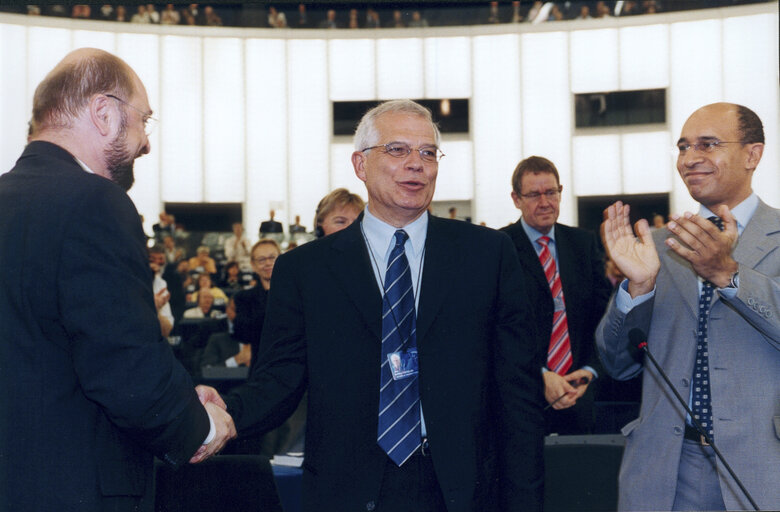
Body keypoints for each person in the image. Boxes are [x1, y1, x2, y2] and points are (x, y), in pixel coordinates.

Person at [223, 100, 544, 511]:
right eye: (397, 150)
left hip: (459, 489)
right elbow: (279, 379)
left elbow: (518, 396)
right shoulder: (306, 270)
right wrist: (225, 415)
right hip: (347, 489)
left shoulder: (487, 254)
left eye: (428, 152)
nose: (416, 164)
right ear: (360, 164)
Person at [0, 48, 234, 512]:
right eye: (144, 120)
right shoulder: (96, 202)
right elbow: (124, 368)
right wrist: (202, 425)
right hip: (77, 490)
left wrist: (179, 396)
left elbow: (48, 353)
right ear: (105, 114)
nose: (146, 142)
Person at [596, 102, 779, 511]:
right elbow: (617, 362)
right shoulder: (657, 246)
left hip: (763, 469)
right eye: (683, 147)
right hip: (665, 471)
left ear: (753, 154)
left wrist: (729, 274)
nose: (690, 159)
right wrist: (637, 289)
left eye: (708, 144)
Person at [500, 156, 611, 435]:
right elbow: (497, 328)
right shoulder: (499, 248)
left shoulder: (582, 244)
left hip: (579, 390)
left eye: (551, 192)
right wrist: (540, 375)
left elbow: (603, 316)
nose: (545, 202)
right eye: (534, 195)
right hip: (522, 396)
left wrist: (591, 370)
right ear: (516, 199)